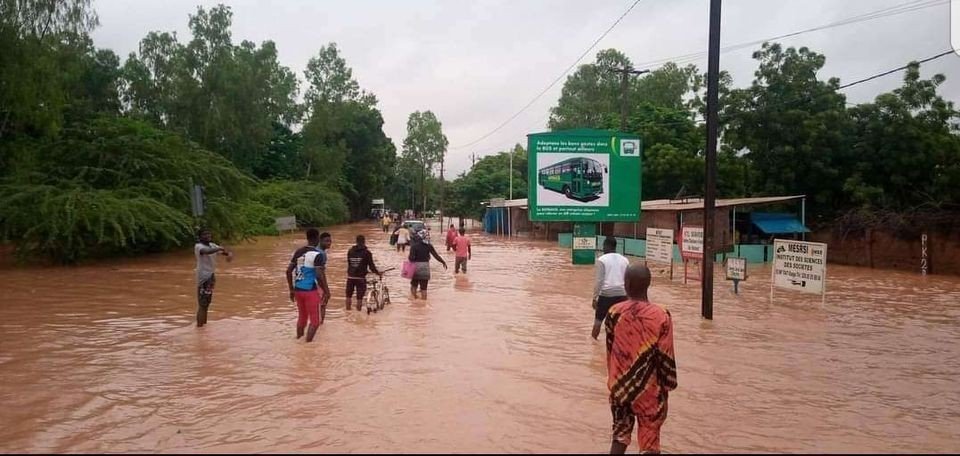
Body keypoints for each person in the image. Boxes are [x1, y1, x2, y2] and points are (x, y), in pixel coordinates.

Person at [606, 265, 677, 455]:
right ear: (648, 284)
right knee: (650, 441)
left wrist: (613, 382)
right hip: (651, 390)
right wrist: (669, 385)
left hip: (620, 387)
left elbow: (610, 350)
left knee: (620, 436)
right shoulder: (662, 316)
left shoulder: (614, 312)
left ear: (626, 284)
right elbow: (665, 355)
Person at [285, 229, 332, 342]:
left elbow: (288, 271)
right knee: (315, 322)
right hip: (310, 291)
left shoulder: (298, 252)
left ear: (307, 238)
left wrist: (291, 289)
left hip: (298, 289)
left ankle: (299, 341)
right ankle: (307, 345)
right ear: (317, 239)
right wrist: (326, 290)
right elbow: (319, 275)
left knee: (302, 318)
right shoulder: (317, 255)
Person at [592, 236, 630, 340]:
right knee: (620, 323)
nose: (603, 248)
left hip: (606, 295)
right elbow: (627, 279)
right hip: (622, 296)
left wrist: (595, 298)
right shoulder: (625, 260)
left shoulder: (602, 259)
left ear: (606, 246)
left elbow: (599, 281)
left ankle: (593, 345)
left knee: (598, 322)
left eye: (604, 246)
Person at [194, 228, 232, 328]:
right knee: (202, 305)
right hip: (203, 278)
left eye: (209, 234)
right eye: (204, 234)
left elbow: (226, 253)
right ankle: (199, 327)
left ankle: (203, 328)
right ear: (200, 237)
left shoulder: (213, 245)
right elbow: (207, 251)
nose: (207, 236)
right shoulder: (198, 246)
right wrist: (219, 248)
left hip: (210, 277)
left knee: (206, 304)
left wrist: (229, 254)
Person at [408, 230, 447, 299]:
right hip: (425, 267)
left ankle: (414, 300)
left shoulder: (414, 246)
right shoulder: (429, 246)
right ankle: (424, 302)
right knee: (424, 288)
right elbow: (436, 256)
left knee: (414, 285)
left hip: (416, 266)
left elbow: (411, 258)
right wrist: (443, 262)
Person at [346, 235, 381, 311]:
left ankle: (348, 311)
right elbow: (371, 266)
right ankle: (358, 312)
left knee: (348, 296)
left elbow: (350, 264)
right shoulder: (367, 253)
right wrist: (378, 273)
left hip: (350, 277)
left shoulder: (350, 251)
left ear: (356, 241)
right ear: (364, 241)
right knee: (359, 297)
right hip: (360, 278)